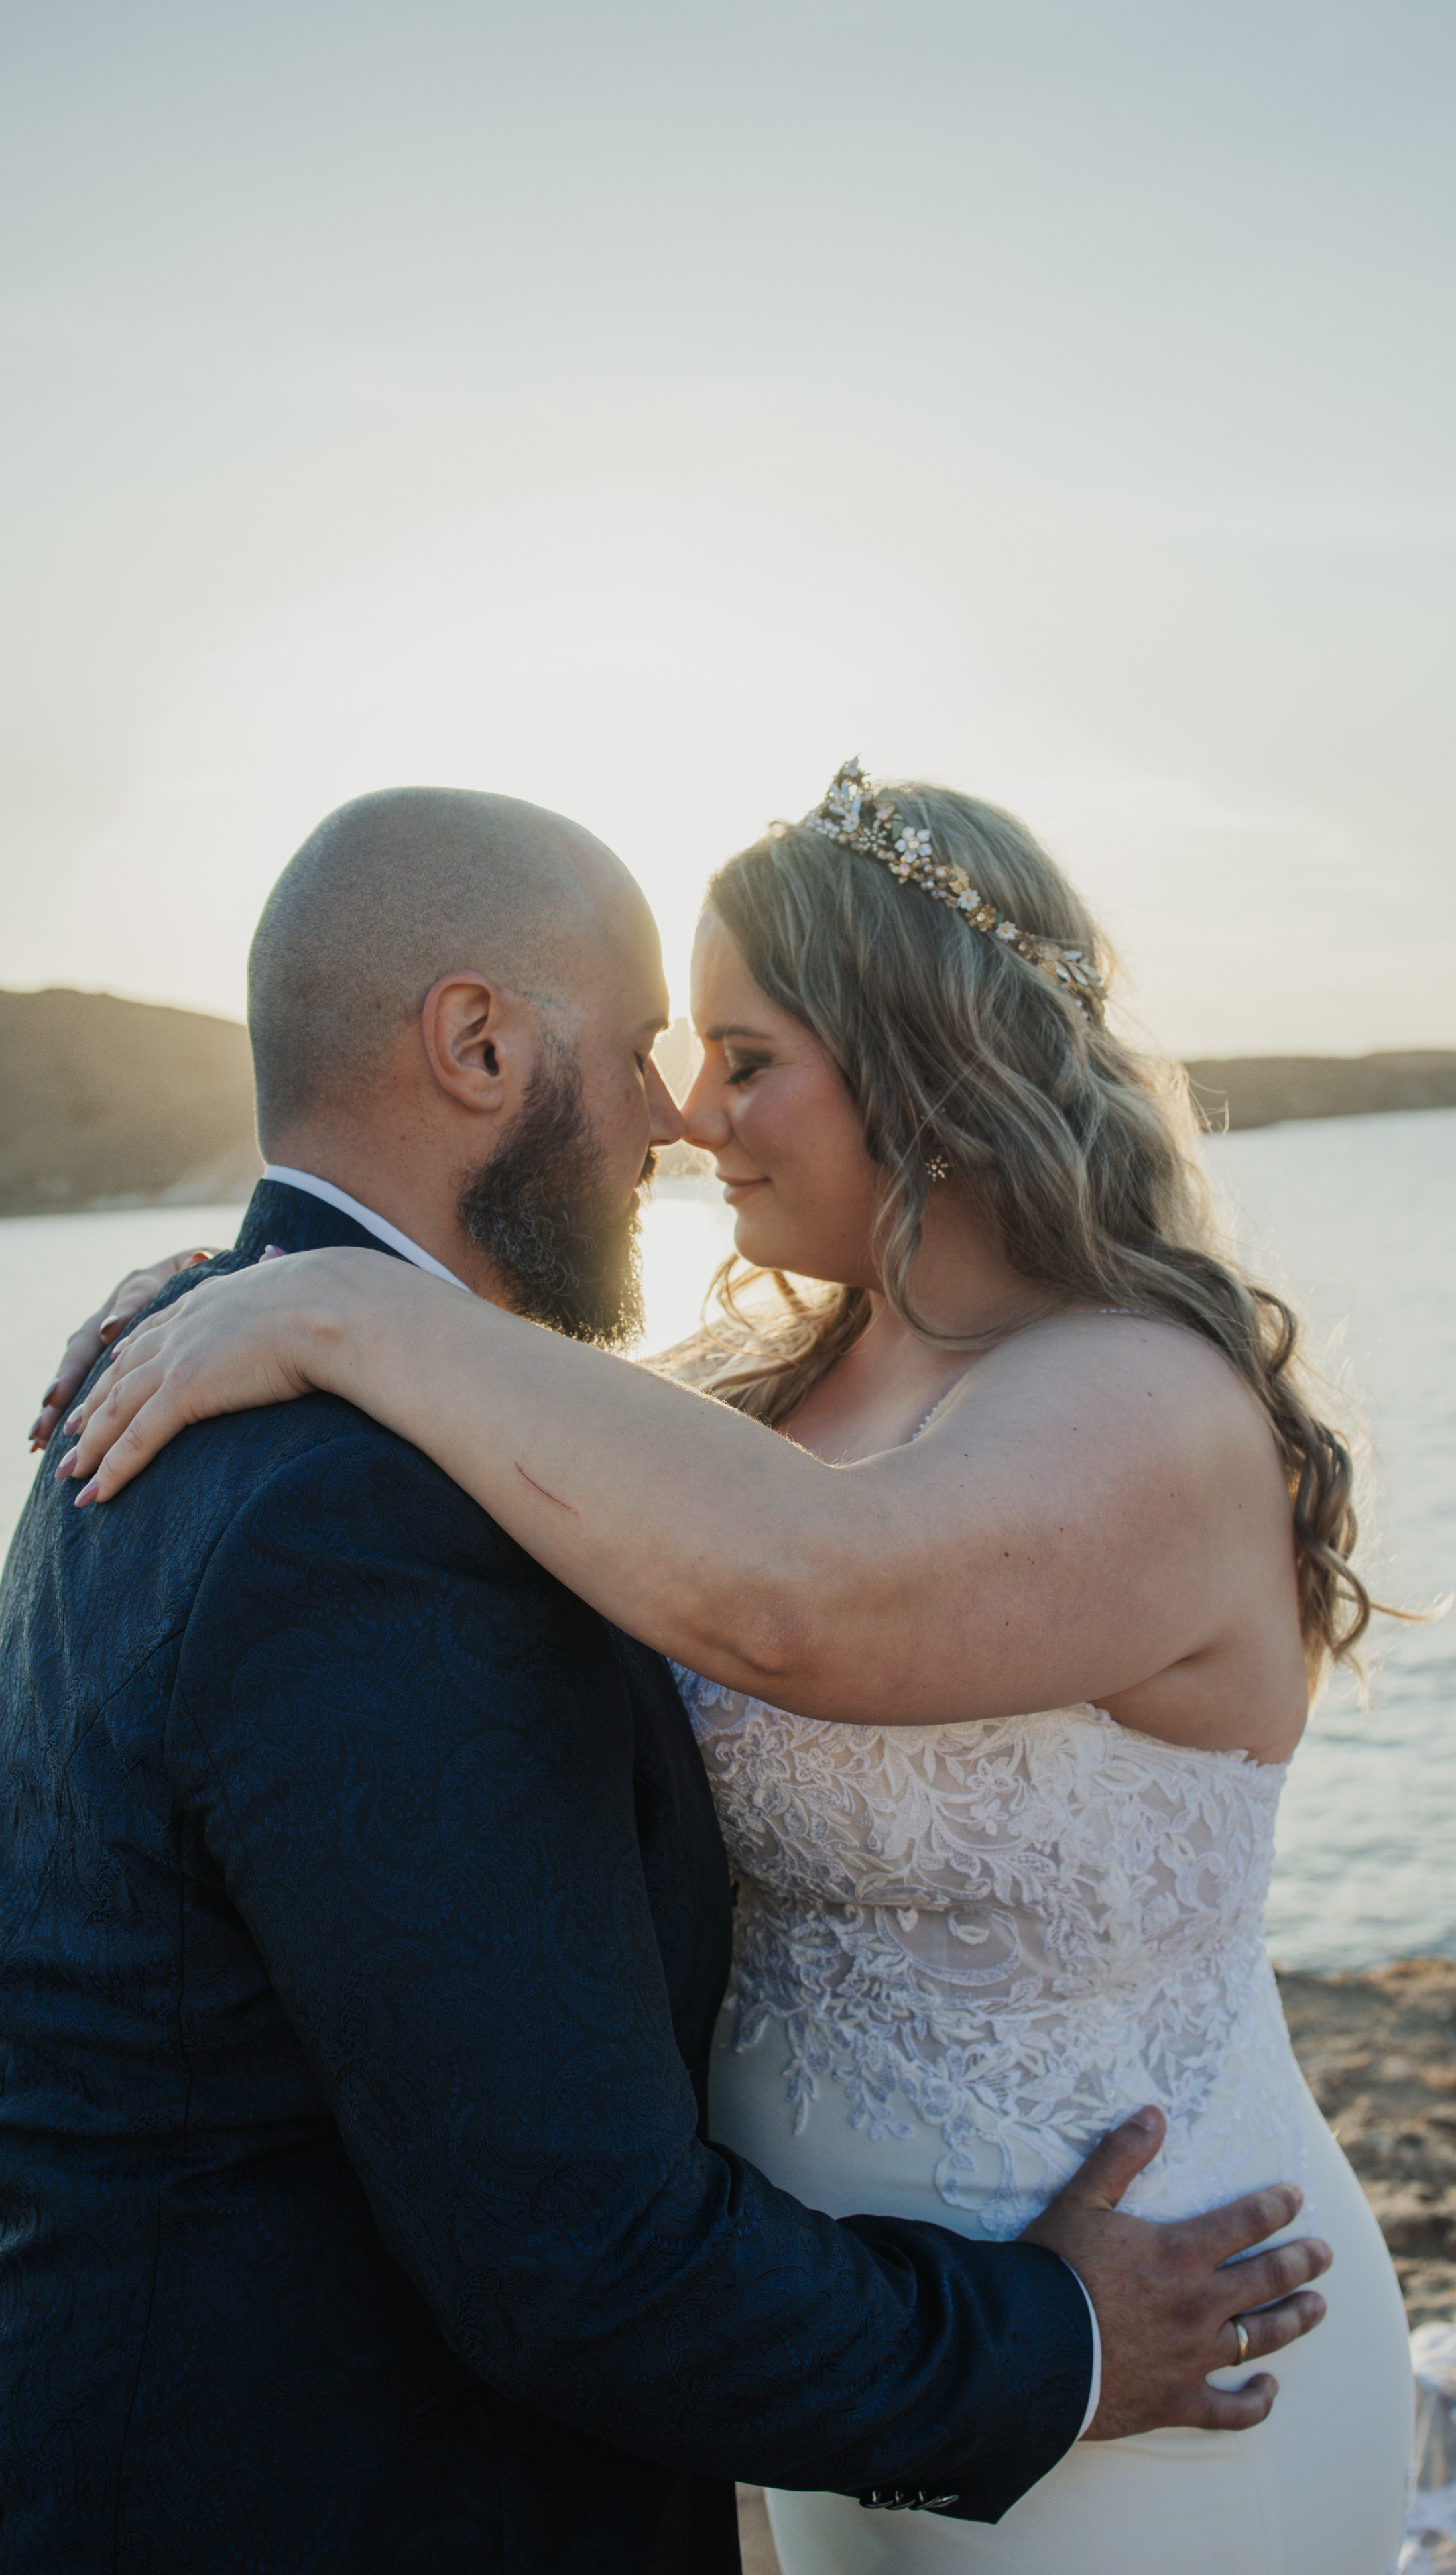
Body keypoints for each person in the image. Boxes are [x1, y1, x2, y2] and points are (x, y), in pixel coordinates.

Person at [4, 785, 1333, 2575]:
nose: (684, 1115)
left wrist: (333, 1300)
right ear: (473, 1043)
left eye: (734, 1054)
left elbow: (798, 1594)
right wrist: (272, 1288)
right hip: (823, 2387)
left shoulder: (1142, 1407)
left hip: (1163, 2328)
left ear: (913, 1063)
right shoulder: (636, 1428)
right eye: (660, 1048)